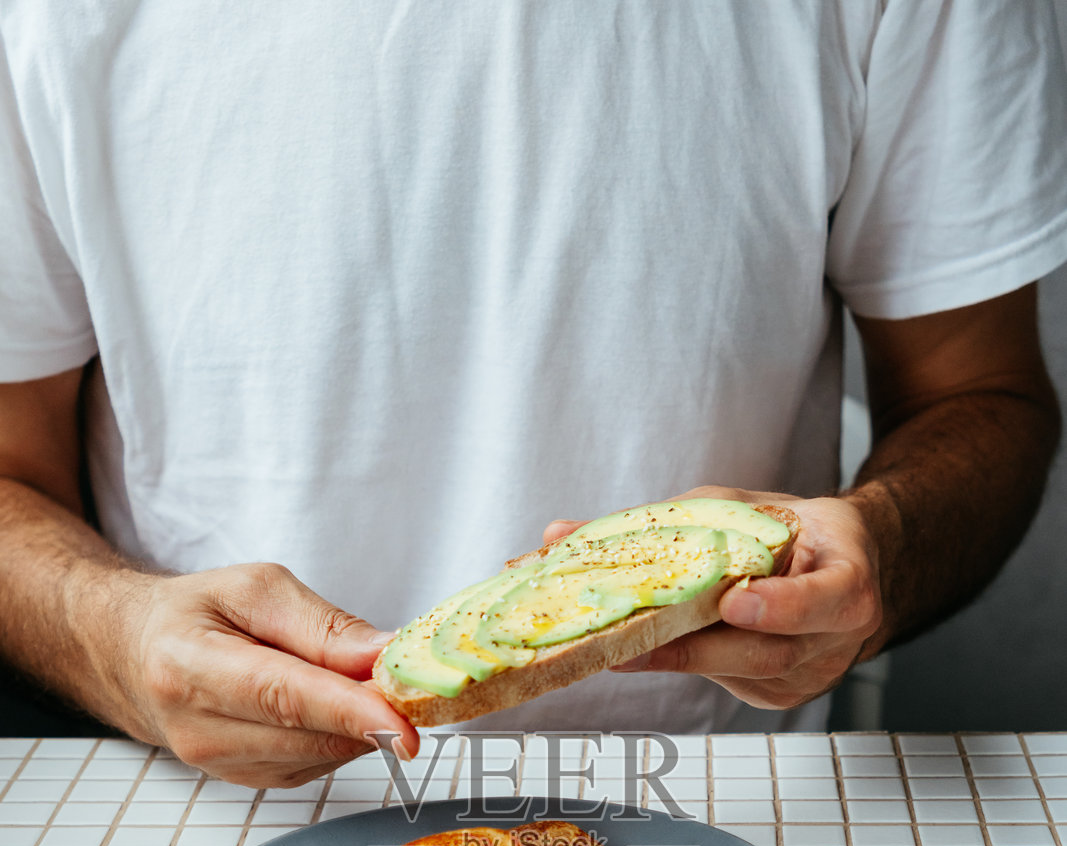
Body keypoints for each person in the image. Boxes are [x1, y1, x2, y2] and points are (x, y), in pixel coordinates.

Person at [1, 1, 1065, 788]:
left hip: (731, 810)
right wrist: (113, 639)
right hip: (206, 817)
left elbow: (978, 393)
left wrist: (877, 549)